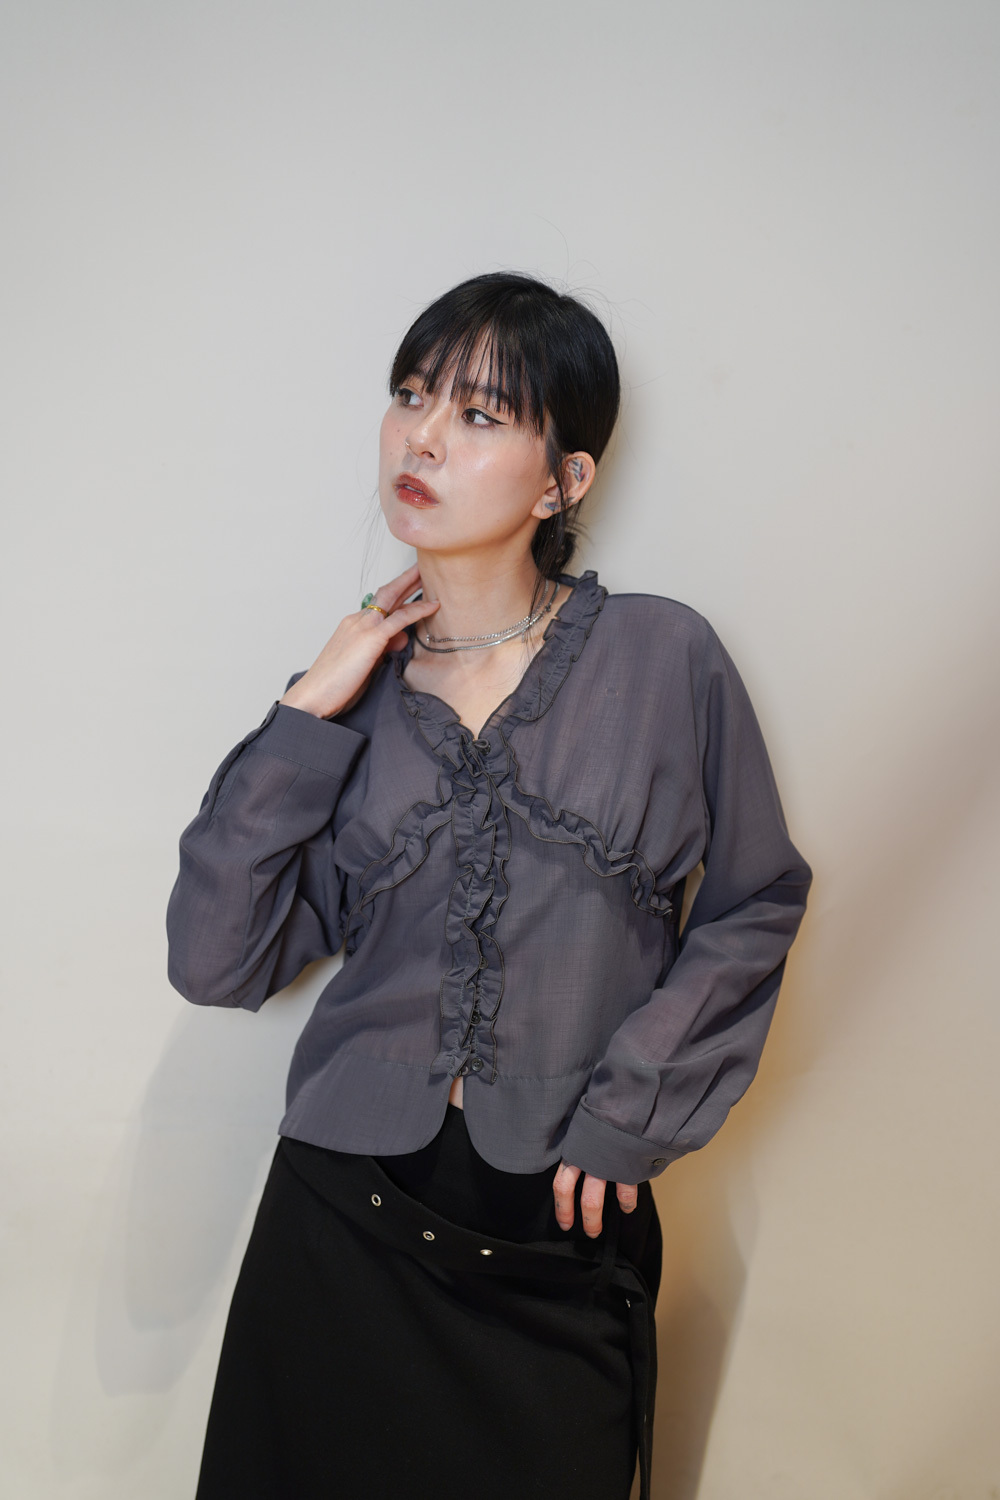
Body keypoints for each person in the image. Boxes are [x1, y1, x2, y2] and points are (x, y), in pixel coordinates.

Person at [166, 270, 812, 1500]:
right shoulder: (355, 704)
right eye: (411, 395)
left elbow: (753, 901)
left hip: (557, 1239)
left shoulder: (662, 658)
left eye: (477, 414)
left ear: (563, 481)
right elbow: (214, 960)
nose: (421, 438)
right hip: (334, 1225)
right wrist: (309, 705)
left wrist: (633, 1112)